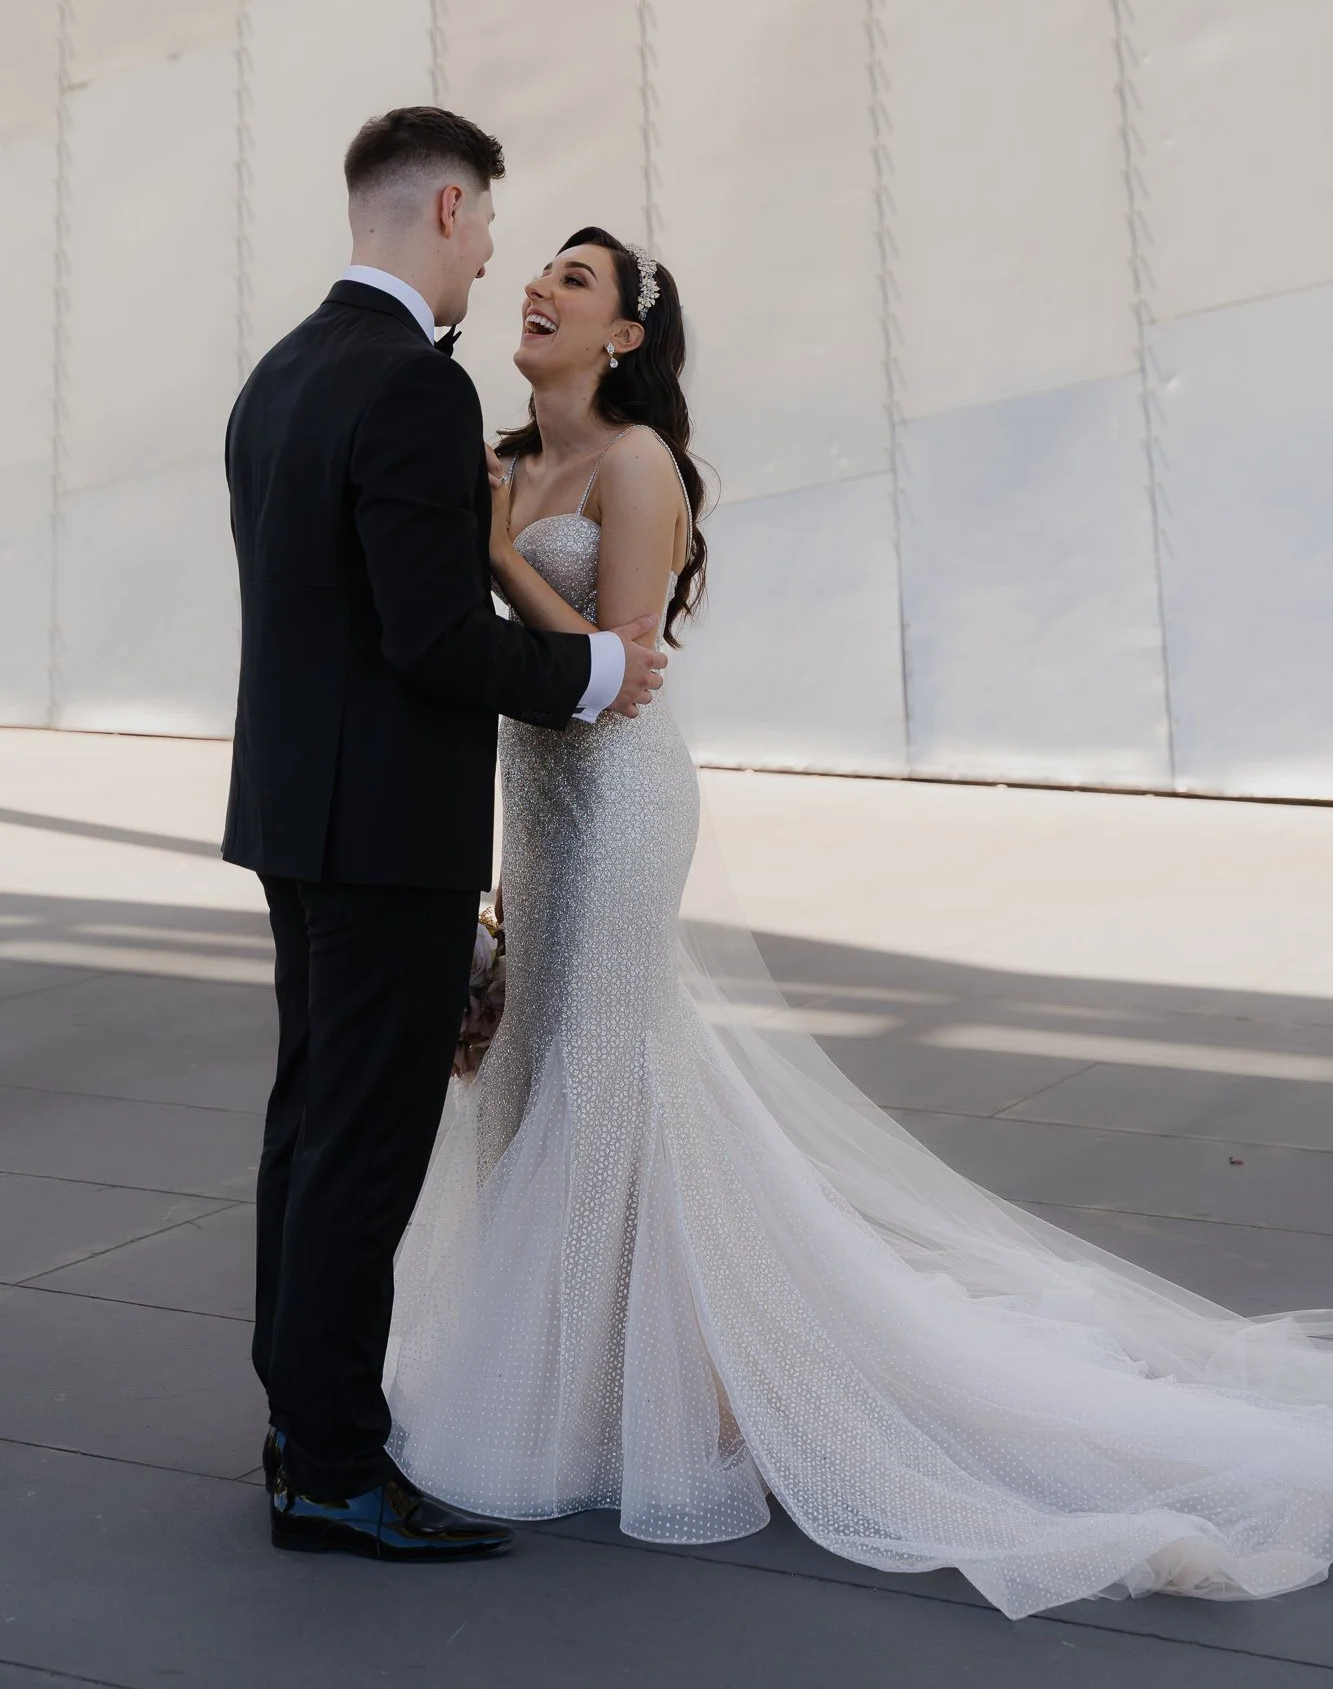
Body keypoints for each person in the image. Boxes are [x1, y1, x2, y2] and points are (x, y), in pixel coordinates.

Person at [387, 226, 1333, 1621]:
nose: (539, 290)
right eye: (540, 275)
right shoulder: (507, 464)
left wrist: (492, 556)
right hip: (532, 807)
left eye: (574, 283)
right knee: (532, 1077)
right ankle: (595, 1377)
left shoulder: (637, 468)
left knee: (604, 1074)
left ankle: (606, 1405)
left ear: (626, 337)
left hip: (624, 801)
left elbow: (622, 676)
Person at [222, 110, 668, 1562]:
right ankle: (340, 1467)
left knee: (311, 1125)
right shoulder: (413, 388)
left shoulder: (279, 375)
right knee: (365, 1143)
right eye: (494, 229)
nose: (499, 261)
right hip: (390, 830)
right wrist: (590, 674)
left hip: (298, 813)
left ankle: (302, 1423)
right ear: (451, 209)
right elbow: (423, 637)